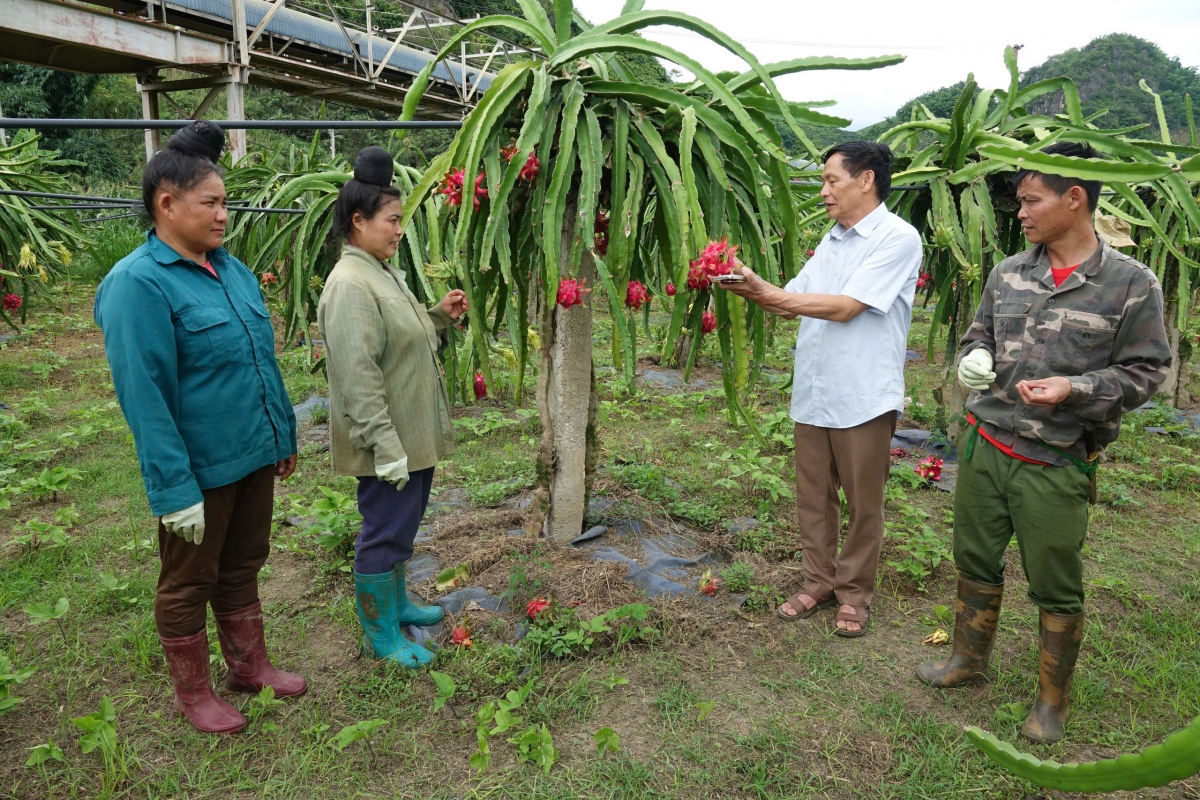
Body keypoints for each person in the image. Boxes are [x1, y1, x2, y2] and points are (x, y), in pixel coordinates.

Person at [916, 142, 1171, 743]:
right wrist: (974, 356)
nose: (1021, 213)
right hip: (985, 444)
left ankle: (1051, 701)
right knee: (974, 559)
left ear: (1074, 199)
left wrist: (1074, 387)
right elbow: (977, 332)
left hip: (1055, 458)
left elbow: (1147, 372)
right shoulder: (1009, 272)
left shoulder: (1129, 285)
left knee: (1054, 581)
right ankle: (967, 661)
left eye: (1032, 200)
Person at [94, 121, 303, 735]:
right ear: (167, 203)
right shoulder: (138, 284)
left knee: (243, 564)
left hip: (251, 452)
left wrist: (281, 435)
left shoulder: (230, 270)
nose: (223, 215)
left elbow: (260, 357)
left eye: (224, 202)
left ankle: (249, 666)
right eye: (210, 203)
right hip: (200, 467)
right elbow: (145, 395)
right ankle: (195, 694)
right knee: (189, 580)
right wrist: (173, 488)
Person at [719, 141, 922, 637]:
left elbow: (847, 306)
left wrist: (770, 293)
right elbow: (793, 300)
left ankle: (854, 593)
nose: (824, 191)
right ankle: (818, 581)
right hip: (815, 391)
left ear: (866, 179)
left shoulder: (896, 238)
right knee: (814, 496)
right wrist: (749, 281)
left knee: (862, 502)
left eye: (832, 180)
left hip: (862, 395)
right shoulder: (832, 240)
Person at [318, 147, 468, 668]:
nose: (399, 230)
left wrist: (438, 318)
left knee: (402, 527)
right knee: (382, 533)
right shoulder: (351, 285)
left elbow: (397, 341)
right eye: (392, 220)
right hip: (390, 440)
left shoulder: (383, 272)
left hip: (410, 434)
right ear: (358, 222)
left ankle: (398, 603)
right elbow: (358, 379)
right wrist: (385, 447)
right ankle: (381, 634)